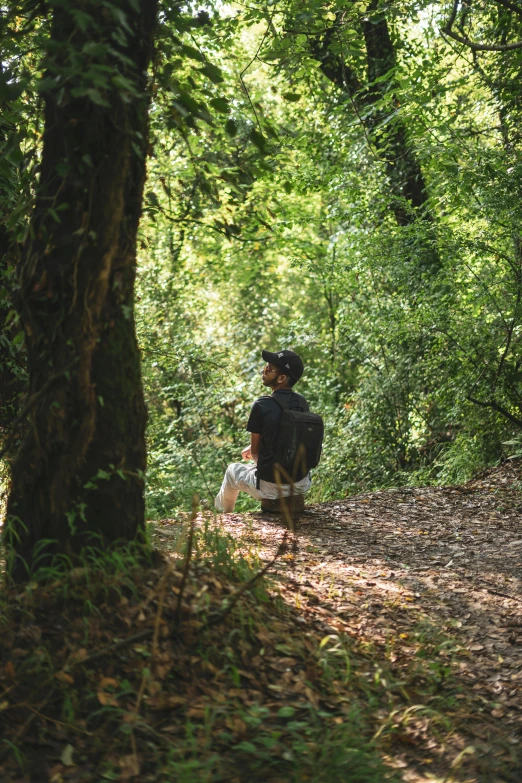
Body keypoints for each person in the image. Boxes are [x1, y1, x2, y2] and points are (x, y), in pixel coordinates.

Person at [215, 349, 312, 513]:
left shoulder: (261, 405)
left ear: (282, 378)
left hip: (271, 488)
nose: (264, 370)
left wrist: (264, 470)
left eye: (269, 368)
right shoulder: (301, 402)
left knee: (232, 471)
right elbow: (291, 437)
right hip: (301, 482)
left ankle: (223, 517)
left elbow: (254, 455)